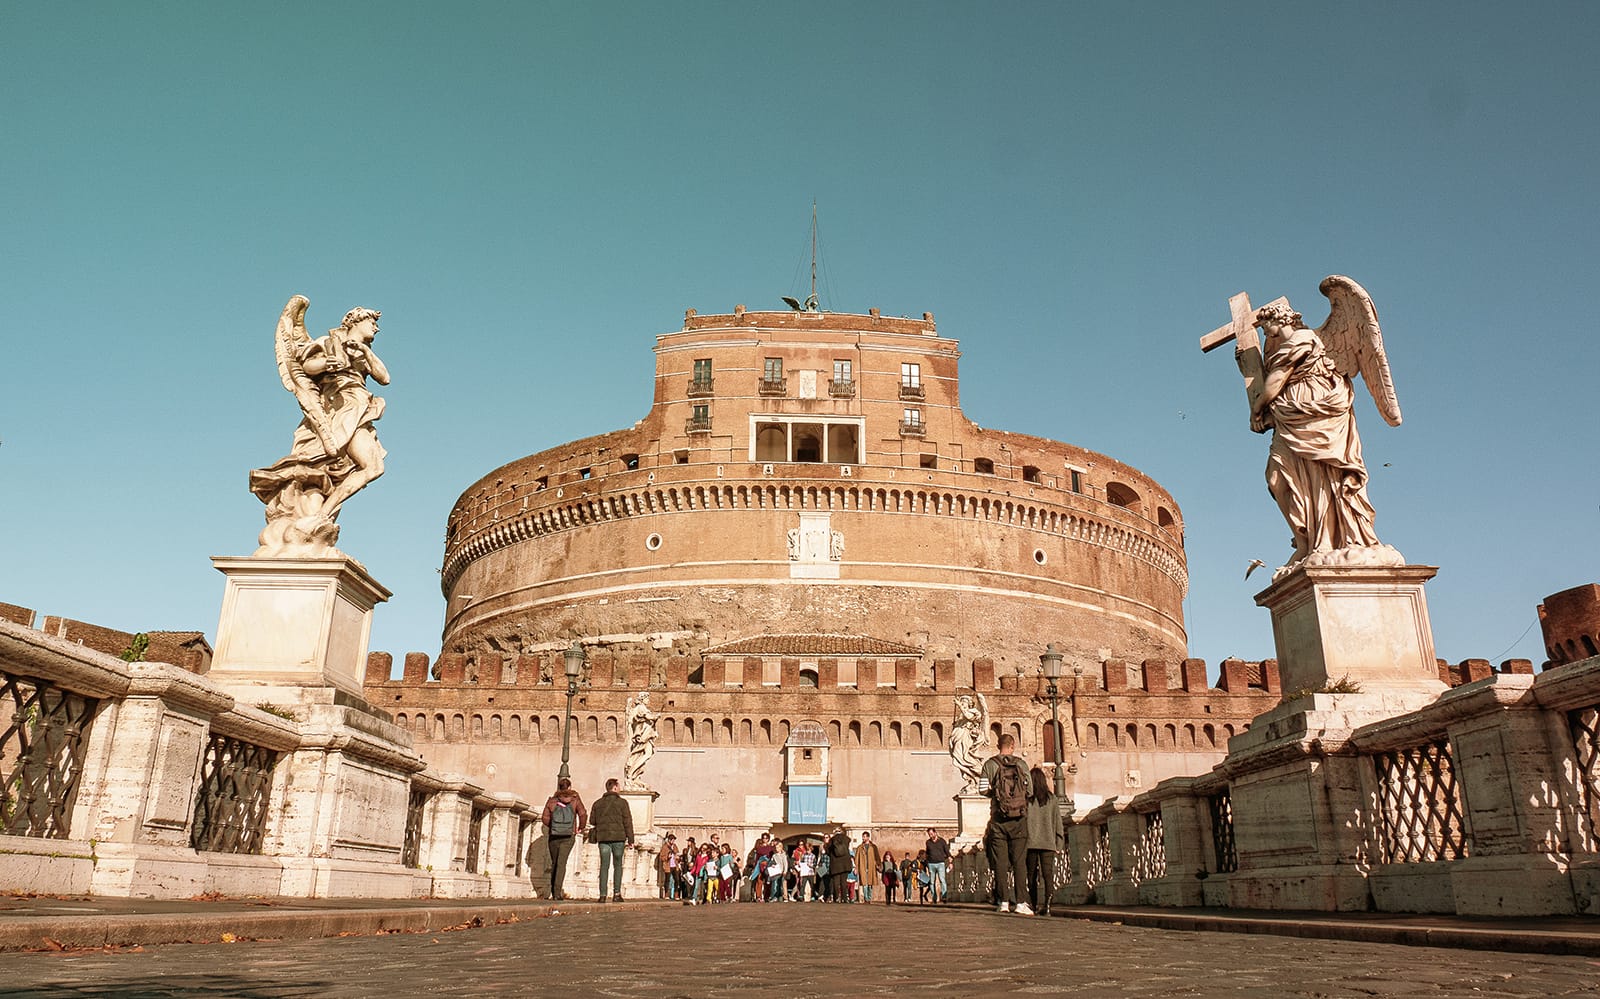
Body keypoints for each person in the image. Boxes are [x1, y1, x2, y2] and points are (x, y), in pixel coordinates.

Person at [1249, 300, 1381, 565]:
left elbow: (1276, 381)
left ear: (1281, 320)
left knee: (1325, 476)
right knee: (1276, 478)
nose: (1265, 331)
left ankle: (1336, 538)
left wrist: (1257, 408)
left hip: (1316, 413)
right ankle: (1305, 540)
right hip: (1291, 416)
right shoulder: (1285, 347)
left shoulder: (1303, 339)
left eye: (1266, 325)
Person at [982, 732, 1032, 914]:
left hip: (998, 819)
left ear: (998, 746)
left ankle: (1003, 902)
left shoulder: (990, 764)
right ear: (1012, 746)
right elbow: (1031, 790)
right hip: (1019, 819)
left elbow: (981, 790)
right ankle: (1020, 903)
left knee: (1001, 862)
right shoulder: (1021, 764)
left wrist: (996, 794)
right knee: (1019, 862)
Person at [1024, 765, 1065, 917]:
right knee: (1048, 875)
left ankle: (1033, 905)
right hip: (1048, 842)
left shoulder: (1027, 800)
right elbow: (1058, 822)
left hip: (1030, 843)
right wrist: (1059, 842)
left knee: (1031, 875)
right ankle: (1047, 906)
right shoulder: (1052, 799)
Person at [539, 777, 587, 900]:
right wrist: (580, 827)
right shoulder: (575, 800)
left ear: (559, 787)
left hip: (554, 836)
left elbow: (544, 818)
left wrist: (554, 826)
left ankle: (553, 891)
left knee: (555, 862)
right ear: (570, 787)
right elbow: (583, 814)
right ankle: (557, 892)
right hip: (569, 836)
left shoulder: (552, 801)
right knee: (562, 863)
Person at [588, 777, 635, 902]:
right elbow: (627, 822)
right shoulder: (622, 803)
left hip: (603, 839)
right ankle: (617, 894)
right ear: (614, 787)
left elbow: (592, 821)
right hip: (618, 838)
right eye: (618, 787)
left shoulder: (597, 803)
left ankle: (602, 895)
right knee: (618, 865)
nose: (619, 789)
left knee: (604, 866)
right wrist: (631, 839)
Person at [853, 831, 882, 904]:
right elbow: (856, 858)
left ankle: (869, 897)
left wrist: (878, 864)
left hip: (871, 867)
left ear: (868, 837)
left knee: (870, 884)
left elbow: (877, 856)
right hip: (863, 867)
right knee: (864, 883)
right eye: (863, 836)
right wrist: (856, 868)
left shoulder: (873, 847)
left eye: (864, 836)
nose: (863, 838)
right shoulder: (859, 848)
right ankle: (866, 898)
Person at [826, 827, 853, 902]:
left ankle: (836, 897)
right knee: (844, 882)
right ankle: (844, 898)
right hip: (845, 864)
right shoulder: (846, 839)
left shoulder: (832, 840)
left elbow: (828, 852)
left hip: (835, 864)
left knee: (836, 882)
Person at [924, 826, 951, 903]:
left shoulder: (942, 841)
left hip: (940, 863)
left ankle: (944, 896)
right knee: (932, 882)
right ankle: (934, 897)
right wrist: (927, 862)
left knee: (942, 880)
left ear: (935, 833)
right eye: (929, 834)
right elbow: (927, 853)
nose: (931, 836)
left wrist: (949, 858)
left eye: (932, 834)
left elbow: (946, 850)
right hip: (931, 864)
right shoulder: (928, 842)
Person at [658, 833, 679, 900]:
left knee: (677, 880)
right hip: (668, 866)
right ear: (669, 840)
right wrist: (667, 857)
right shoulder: (665, 847)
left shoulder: (674, 846)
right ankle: (666, 894)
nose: (673, 842)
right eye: (672, 840)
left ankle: (676, 894)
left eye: (674, 840)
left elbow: (677, 853)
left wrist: (677, 857)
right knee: (667, 880)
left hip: (675, 865)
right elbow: (661, 857)